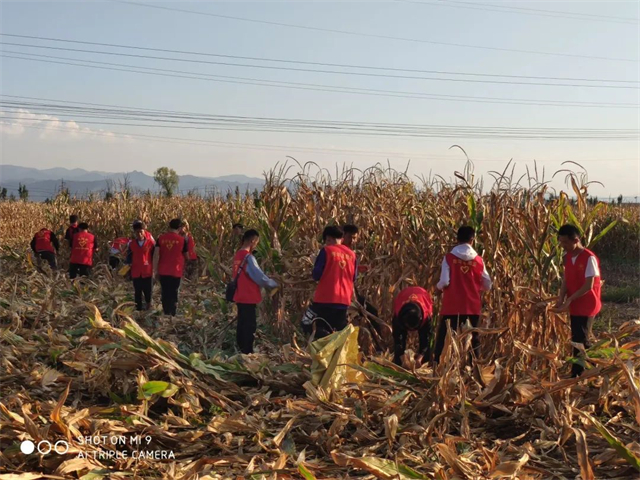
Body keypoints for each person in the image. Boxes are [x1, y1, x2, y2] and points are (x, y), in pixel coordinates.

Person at [434, 226, 492, 363]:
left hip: (452, 305)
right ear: (472, 240)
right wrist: (475, 287)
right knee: (474, 339)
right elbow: (487, 284)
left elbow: (444, 281)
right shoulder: (478, 260)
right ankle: (474, 369)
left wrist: (438, 288)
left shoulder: (449, 258)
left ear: (457, 239)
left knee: (444, 337)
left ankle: (437, 366)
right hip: (472, 305)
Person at [552, 224, 602, 377]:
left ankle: (586, 371)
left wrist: (570, 299)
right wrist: (561, 298)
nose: (562, 246)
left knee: (582, 340)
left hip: (588, 304)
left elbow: (589, 285)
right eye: (561, 242)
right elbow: (566, 279)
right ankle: (584, 371)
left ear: (576, 240)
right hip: (575, 303)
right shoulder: (567, 257)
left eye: (565, 242)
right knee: (577, 338)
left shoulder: (589, 257)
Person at [232, 229, 278, 354]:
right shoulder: (248, 258)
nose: (256, 244)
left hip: (239, 294)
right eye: (256, 242)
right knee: (249, 326)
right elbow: (259, 277)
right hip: (248, 296)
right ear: (253, 241)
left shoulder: (238, 255)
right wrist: (274, 284)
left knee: (241, 324)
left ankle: (241, 349)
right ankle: (247, 352)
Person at [307, 225, 357, 339]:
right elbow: (354, 277)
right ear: (342, 238)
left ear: (328, 238)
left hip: (325, 299)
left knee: (313, 326)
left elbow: (316, 275)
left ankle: (323, 354)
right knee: (339, 333)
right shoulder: (352, 255)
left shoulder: (326, 251)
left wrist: (315, 262)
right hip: (344, 301)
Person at [153, 218, 189, 316]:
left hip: (163, 270)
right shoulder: (182, 240)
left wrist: (155, 270)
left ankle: (166, 311)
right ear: (180, 228)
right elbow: (187, 256)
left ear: (169, 227)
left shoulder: (160, 238)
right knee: (174, 292)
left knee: (165, 292)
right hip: (176, 271)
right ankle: (172, 313)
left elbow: (156, 255)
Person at [392, 286, 433, 366]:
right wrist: (402, 358)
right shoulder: (398, 315)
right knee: (400, 340)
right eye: (409, 328)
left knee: (424, 336)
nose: (412, 331)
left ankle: (424, 362)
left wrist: (420, 357)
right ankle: (398, 364)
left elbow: (427, 339)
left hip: (423, 299)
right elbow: (397, 339)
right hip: (403, 297)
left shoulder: (426, 316)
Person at [126, 222, 155, 311]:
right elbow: (129, 257)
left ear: (144, 231)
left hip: (147, 271)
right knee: (137, 292)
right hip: (136, 271)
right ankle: (138, 308)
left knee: (148, 291)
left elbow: (155, 256)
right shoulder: (131, 244)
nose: (139, 234)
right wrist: (128, 264)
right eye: (137, 232)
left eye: (141, 232)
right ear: (134, 232)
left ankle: (148, 307)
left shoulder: (150, 243)